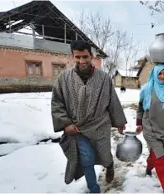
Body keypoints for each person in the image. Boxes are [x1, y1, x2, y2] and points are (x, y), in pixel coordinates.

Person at [51, 40, 127, 193]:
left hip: (100, 125)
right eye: (78, 57)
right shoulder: (63, 79)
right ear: (73, 57)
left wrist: (119, 121)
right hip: (78, 128)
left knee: (105, 155)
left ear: (91, 56)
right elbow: (57, 103)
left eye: (85, 57)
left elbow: (112, 101)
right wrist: (66, 124)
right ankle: (94, 189)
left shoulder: (104, 78)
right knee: (86, 158)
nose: (82, 61)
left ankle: (109, 166)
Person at [135, 65, 164, 193]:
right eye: (159, 74)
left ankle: (149, 167)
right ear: (155, 74)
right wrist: (139, 123)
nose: (162, 76)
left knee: (155, 154)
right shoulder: (147, 89)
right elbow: (140, 107)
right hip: (150, 127)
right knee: (160, 158)